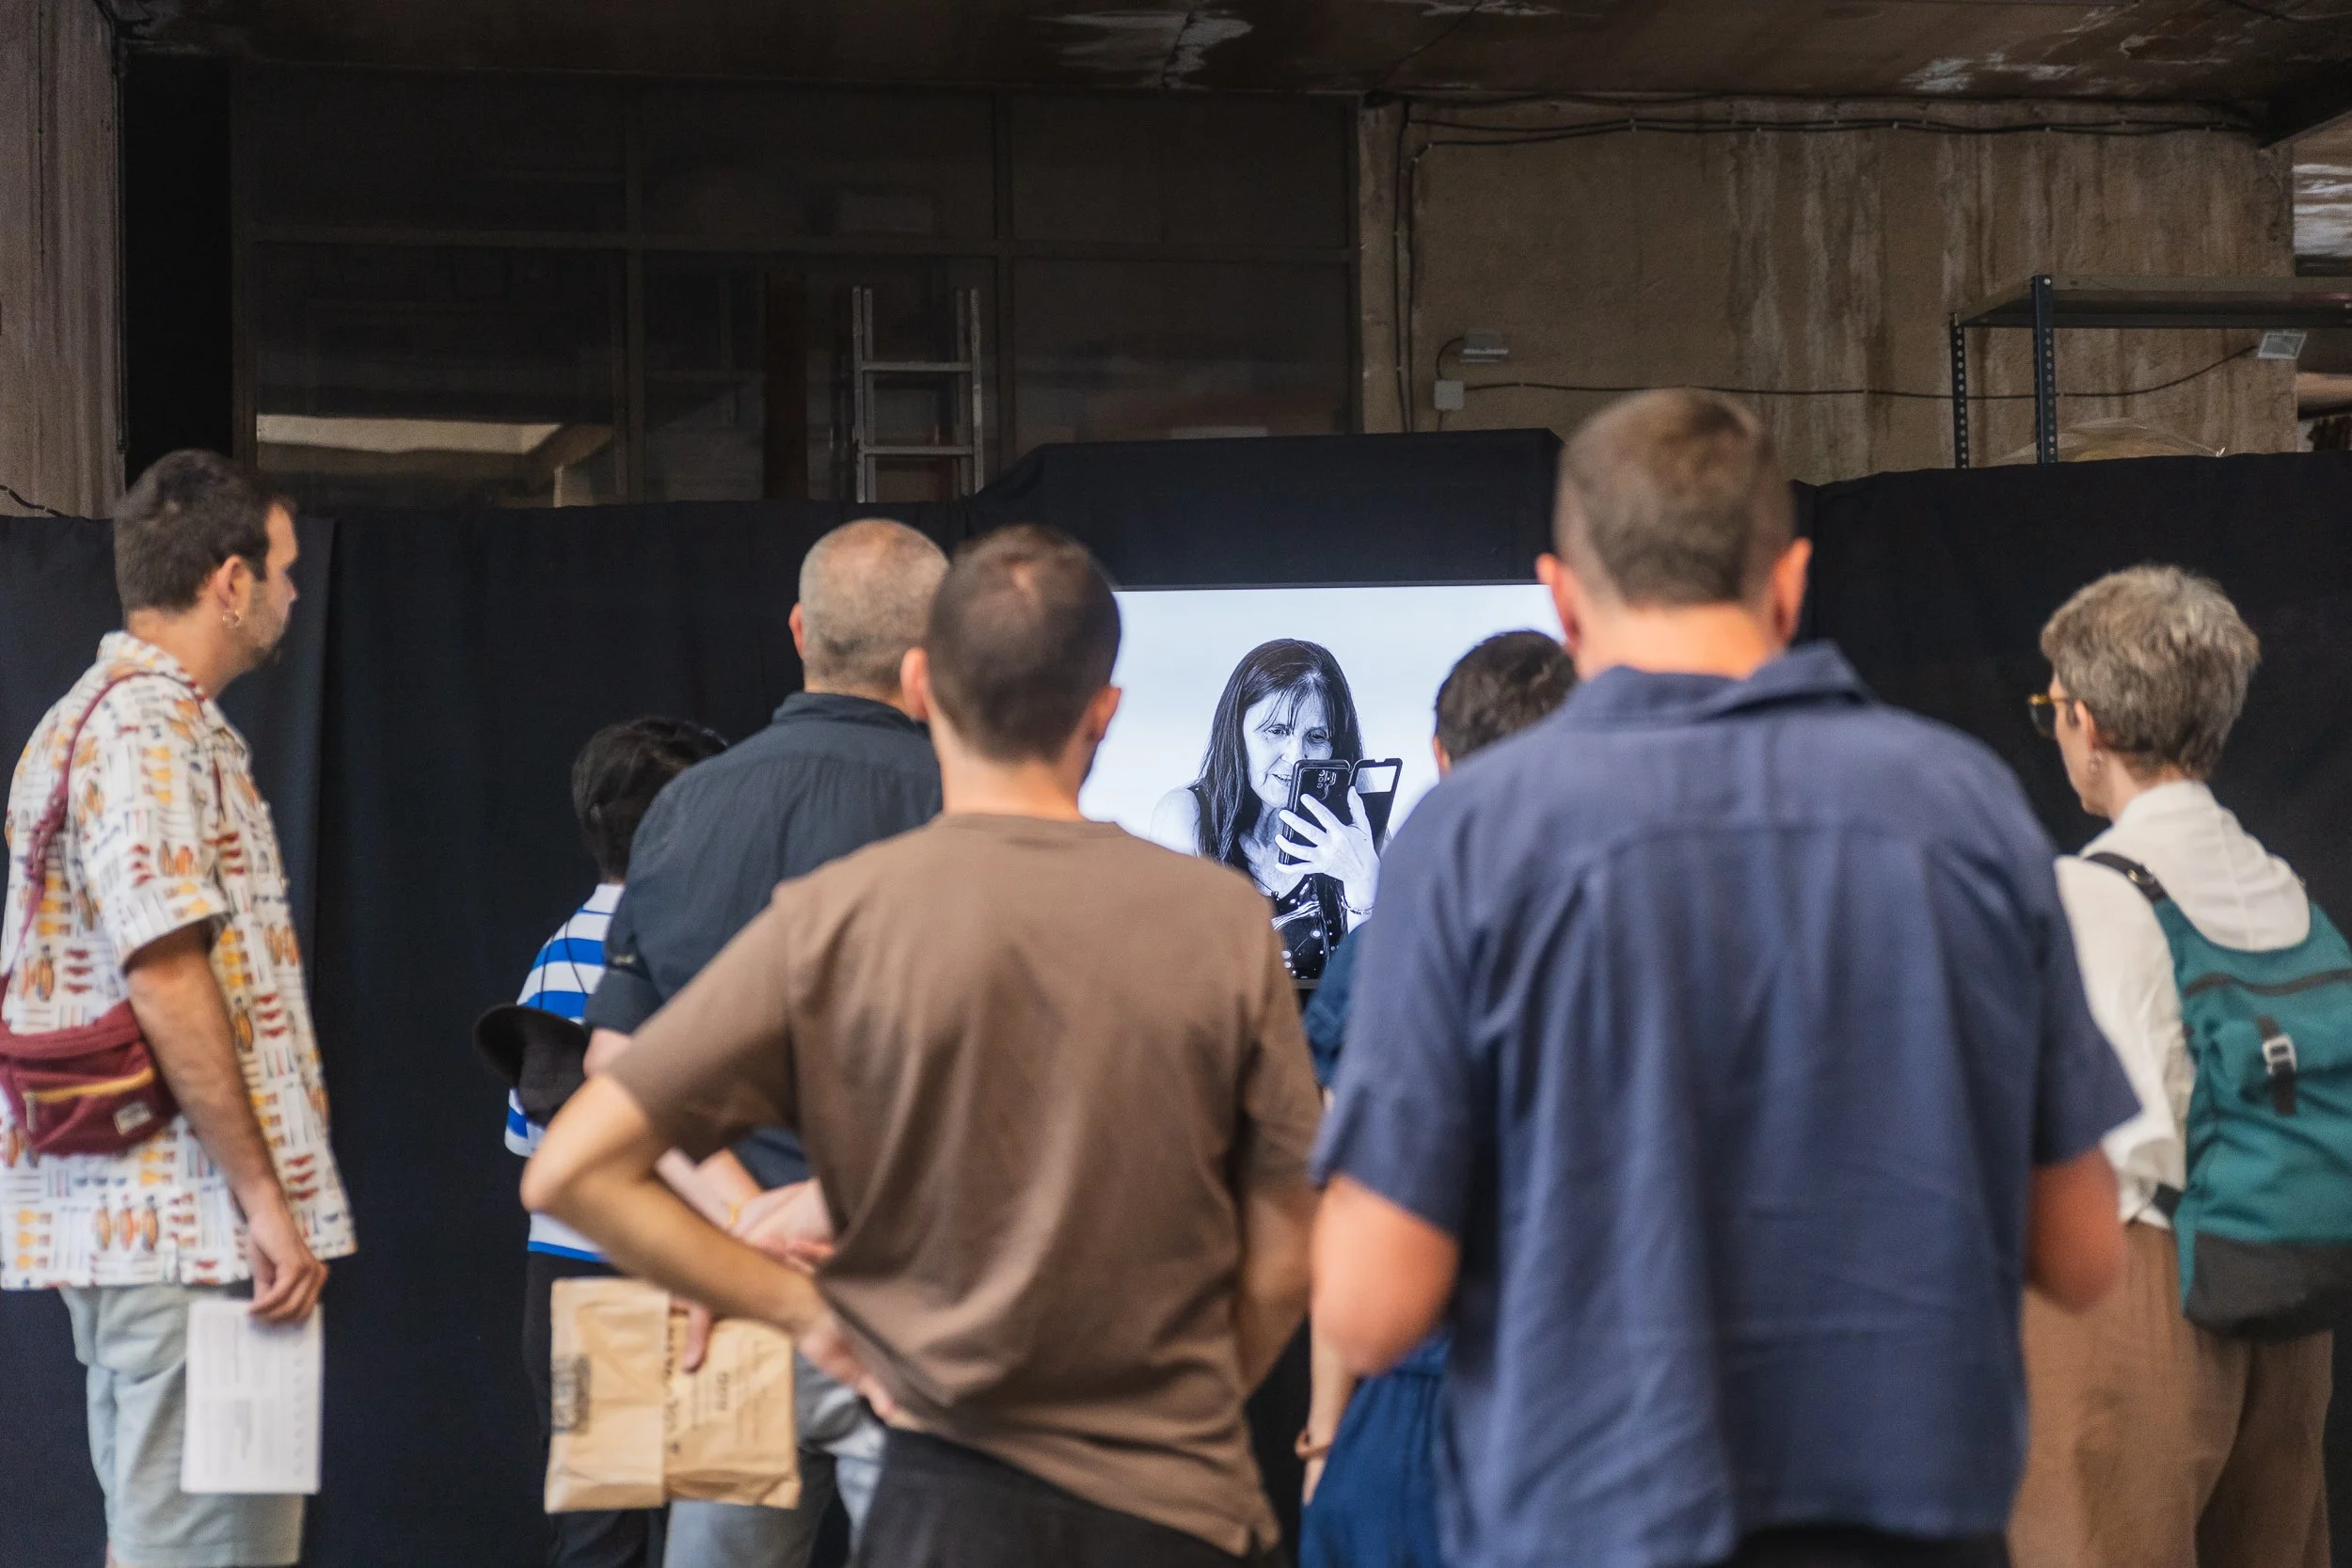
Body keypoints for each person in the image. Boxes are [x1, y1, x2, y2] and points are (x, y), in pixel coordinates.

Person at [1311, 388, 2138, 1568]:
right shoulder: (1963, 810)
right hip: (1909, 1530)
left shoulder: (1467, 839)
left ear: (1562, 597)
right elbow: (2082, 1250)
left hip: (1585, 1527)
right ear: (1788, 582)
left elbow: (1369, 1304)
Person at [525, 524, 1324, 1568]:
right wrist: (1195, 1393)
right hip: (1153, 1471)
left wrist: (791, 1294)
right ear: (1105, 708)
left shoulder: (829, 902)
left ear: (925, 681)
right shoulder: (1218, 918)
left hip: (874, 1415)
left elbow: (580, 1147)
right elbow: (1286, 1239)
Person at [0, 451, 355, 1568]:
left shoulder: (106, 720)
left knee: (185, 1543)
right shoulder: (145, 730)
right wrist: (266, 1202)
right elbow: (163, 970)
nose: (292, 593)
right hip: (196, 1235)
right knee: (212, 1554)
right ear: (230, 580)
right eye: (283, 569)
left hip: (163, 1229)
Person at [578, 516, 948, 1568]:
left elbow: (614, 1069)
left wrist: (748, 1226)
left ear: (798, 630)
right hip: (916, 1307)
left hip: (730, 1296)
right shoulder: (966, 808)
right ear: (935, 653)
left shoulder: (683, 808)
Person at [2010, 566, 2330, 1568]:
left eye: (2054, 709)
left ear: (2091, 722)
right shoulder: (2281, 885)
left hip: (2133, 1290)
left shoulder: (2084, 895)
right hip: (2288, 1298)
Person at [1297, 628, 1576, 1568]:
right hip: (1593, 1399)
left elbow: (1346, 1210)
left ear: (1439, 758)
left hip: (1414, 1399)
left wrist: (1324, 1433)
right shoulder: (1652, 920)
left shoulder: (1381, 950)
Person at [510, 717, 725, 1568]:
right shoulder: (698, 951)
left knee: (607, 1539)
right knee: (714, 1534)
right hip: (649, 1274)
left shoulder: (559, 956)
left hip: (589, 1272)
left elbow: (529, 1139)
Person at [1152, 639, 1380, 979]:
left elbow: (1382, 990)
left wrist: (1363, 884)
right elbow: (1176, 979)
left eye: (1316, 736)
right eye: (1276, 731)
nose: (1297, 756)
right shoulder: (1188, 815)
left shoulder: (1356, 826)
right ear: (1236, 733)